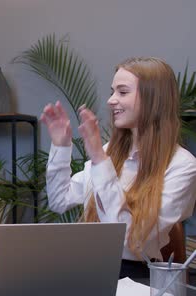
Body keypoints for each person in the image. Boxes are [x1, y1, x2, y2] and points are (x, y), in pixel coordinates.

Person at [42, 57, 196, 278]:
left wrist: (98, 158)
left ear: (154, 99)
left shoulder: (183, 166)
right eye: (112, 91)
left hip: (137, 280)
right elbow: (59, 200)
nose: (111, 101)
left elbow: (129, 240)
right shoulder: (109, 152)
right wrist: (61, 146)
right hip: (87, 268)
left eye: (122, 92)